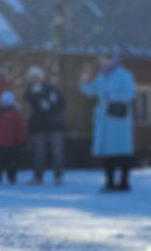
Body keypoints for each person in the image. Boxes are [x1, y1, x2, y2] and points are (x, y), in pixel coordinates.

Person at [80, 54, 137, 192]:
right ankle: (110, 182)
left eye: (104, 60)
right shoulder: (101, 76)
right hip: (105, 119)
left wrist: (112, 97)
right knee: (108, 152)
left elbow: (129, 93)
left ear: (112, 60)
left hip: (119, 119)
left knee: (122, 151)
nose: (102, 63)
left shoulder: (124, 75)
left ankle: (124, 182)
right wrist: (84, 82)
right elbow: (93, 92)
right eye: (101, 60)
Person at [23, 66, 66, 184]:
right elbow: (28, 103)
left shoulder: (51, 90)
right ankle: (38, 176)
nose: (36, 78)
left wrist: (51, 107)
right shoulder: (29, 91)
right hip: (38, 126)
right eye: (33, 76)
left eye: (38, 76)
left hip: (54, 125)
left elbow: (60, 104)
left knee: (57, 151)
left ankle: (59, 175)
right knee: (39, 153)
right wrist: (36, 97)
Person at [0, 90, 27, 185]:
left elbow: (20, 129)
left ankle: (11, 177)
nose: (2, 103)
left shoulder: (15, 115)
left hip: (10, 144)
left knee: (11, 163)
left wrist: (20, 141)